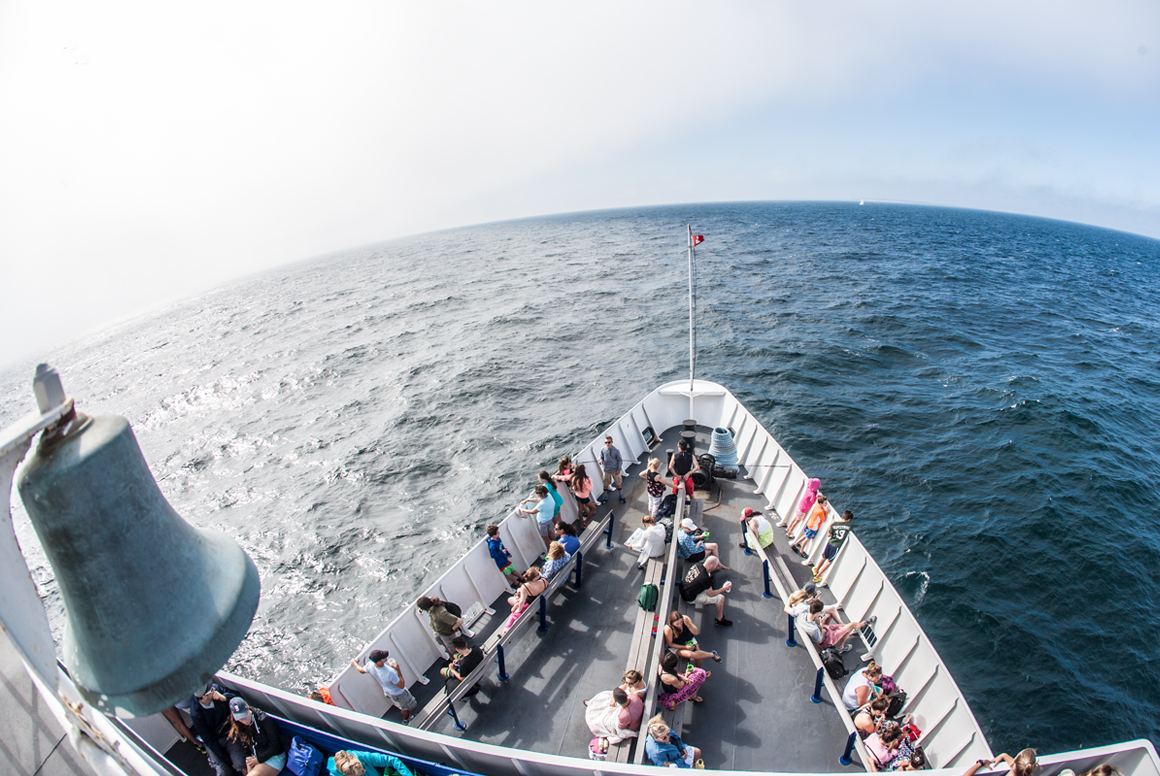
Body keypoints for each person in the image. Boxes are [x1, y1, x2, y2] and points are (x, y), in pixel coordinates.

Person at [190, 684, 247, 776]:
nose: (213, 690)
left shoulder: (216, 689)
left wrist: (225, 698)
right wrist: (228, 761)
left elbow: (239, 698)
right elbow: (209, 740)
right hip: (215, 741)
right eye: (211, 690)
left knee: (241, 765)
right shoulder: (196, 714)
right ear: (204, 697)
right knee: (223, 772)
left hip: (229, 734)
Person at [349, 650, 417, 724]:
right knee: (405, 707)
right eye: (383, 657)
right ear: (379, 662)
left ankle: (410, 716)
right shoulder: (390, 672)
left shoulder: (370, 665)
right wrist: (398, 669)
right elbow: (401, 685)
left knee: (402, 704)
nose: (386, 657)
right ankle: (405, 720)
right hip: (399, 694)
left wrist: (354, 663)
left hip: (388, 692)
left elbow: (361, 670)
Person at [225, 697, 286, 776]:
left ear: (247, 709)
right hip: (254, 757)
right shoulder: (240, 725)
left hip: (273, 756)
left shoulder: (263, 720)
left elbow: (275, 745)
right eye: (240, 719)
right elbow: (245, 747)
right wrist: (249, 759)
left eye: (245, 716)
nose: (244, 721)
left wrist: (258, 759)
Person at [677, 556, 732, 626]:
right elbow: (711, 594)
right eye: (716, 565)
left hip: (684, 588)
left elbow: (704, 575)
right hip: (689, 597)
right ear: (711, 565)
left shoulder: (697, 565)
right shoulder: (704, 578)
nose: (717, 567)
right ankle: (719, 620)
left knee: (708, 582)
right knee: (721, 598)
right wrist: (723, 589)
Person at [806, 598, 873, 652]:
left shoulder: (808, 616)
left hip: (826, 630)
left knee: (829, 615)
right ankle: (864, 623)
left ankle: (845, 630)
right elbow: (819, 641)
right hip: (827, 639)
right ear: (817, 612)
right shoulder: (813, 628)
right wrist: (821, 624)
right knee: (852, 625)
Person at [809, 509, 853, 584]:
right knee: (829, 561)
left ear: (842, 516)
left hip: (830, 543)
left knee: (824, 557)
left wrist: (830, 526)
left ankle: (816, 570)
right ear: (849, 520)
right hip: (836, 546)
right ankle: (818, 576)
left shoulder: (835, 524)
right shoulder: (849, 527)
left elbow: (829, 535)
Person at [503, 567, 547, 632]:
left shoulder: (525, 586)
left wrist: (518, 610)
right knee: (518, 593)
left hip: (530, 606)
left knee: (510, 601)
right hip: (541, 603)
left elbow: (522, 602)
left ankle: (506, 629)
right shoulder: (544, 581)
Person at [519, 484, 556, 552]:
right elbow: (538, 499)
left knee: (545, 537)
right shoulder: (549, 496)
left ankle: (549, 551)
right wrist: (528, 500)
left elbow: (532, 511)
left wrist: (521, 509)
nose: (536, 494)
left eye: (536, 493)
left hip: (543, 522)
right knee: (549, 531)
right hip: (549, 518)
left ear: (540, 494)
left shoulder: (542, 504)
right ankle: (556, 545)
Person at [790, 493, 828, 557]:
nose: (826, 504)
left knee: (805, 535)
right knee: (807, 538)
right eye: (825, 503)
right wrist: (826, 513)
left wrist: (819, 495)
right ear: (821, 504)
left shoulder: (817, 505)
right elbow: (823, 519)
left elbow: (817, 499)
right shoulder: (821, 511)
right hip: (813, 527)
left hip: (810, 523)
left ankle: (795, 544)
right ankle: (801, 550)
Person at [328, 749, 414, 776]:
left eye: (363, 768)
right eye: (361, 773)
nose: (364, 771)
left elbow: (392, 760)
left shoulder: (362, 757)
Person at [961, 750, 1038, 776]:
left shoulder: (1014, 767)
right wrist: (1003, 755)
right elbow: (1017, 765)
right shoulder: (1021, 771)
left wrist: (981, 763)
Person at [597, 436, 627, 503]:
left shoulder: (616, 451)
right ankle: (605, 496)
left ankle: (620, 495)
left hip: (615, 470)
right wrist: (601, 461)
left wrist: (618, 469)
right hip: (606, 470)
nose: (607, 444)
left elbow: (620, 460)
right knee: (605, 483)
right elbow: (601, 457)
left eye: (609, 442)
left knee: (618, 483)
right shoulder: (602, 449)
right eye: (606, 442)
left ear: (612, 442)